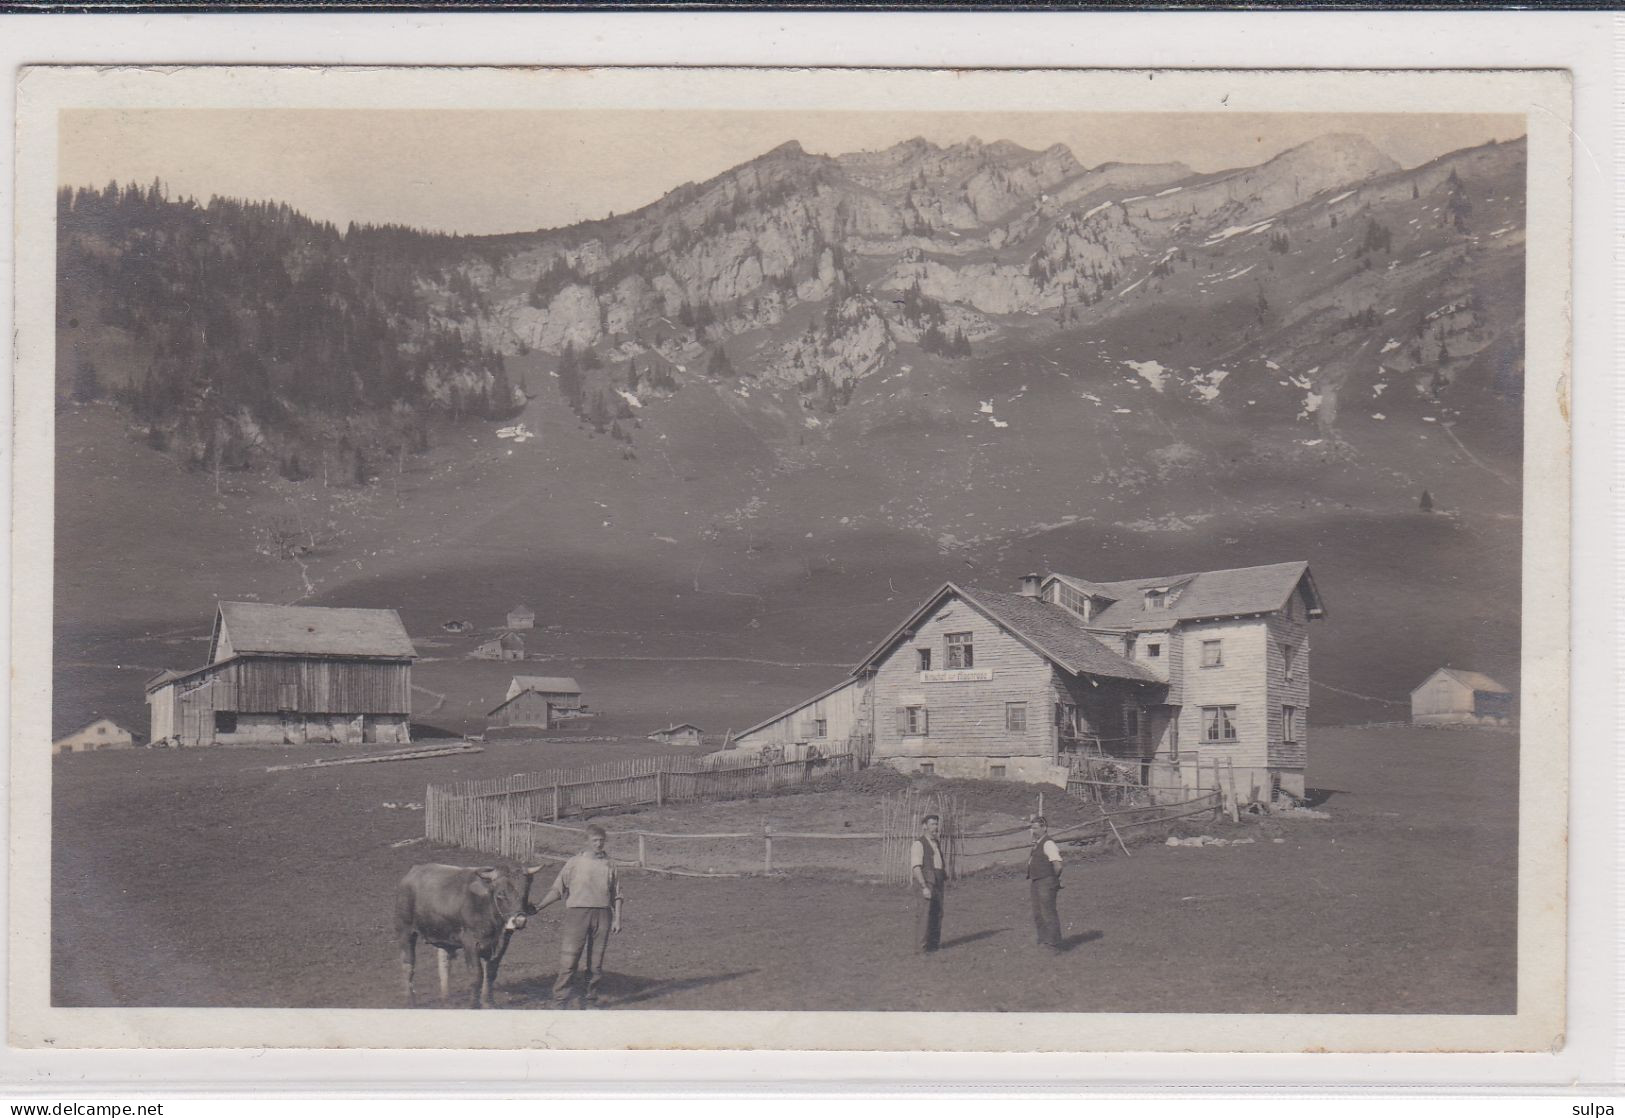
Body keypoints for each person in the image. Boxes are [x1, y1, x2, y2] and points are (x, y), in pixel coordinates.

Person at [533, 822, 623, 1007]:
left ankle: (590, 999)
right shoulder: (574, 863)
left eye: (601, 840)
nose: (598, 844)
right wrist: (539, 907)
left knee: (596, 964)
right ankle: (560, 1000)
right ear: (587, 841)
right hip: (578, 915)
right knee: (569, 960)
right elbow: (558, 890)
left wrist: (617, 919)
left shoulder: (610, 864)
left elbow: (617, 894)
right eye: (595, 840)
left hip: (603, 915)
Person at [910, 813, 947, 953]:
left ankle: (933, 946)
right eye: (932, 824)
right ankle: (921, 949)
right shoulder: (918, 844)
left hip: (938, 881)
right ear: (924, 826)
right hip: (926, 881)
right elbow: (916, 867)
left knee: (937, 912)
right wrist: (924, 886)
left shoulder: (936, 843)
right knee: (924, 914)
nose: (935, 828)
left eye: (937, 824)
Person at [1027, 815, 1064, 952]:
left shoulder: (1048, 843)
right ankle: (1043, 939)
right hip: (1036, 881)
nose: (1033, 831)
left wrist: (1053, 880)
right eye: (1032, 828)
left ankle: (1054, 944)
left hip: (1046, 881)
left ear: (1044, 828)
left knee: (1048, 912)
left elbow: (1058, 865)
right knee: (1038, 912)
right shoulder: (1037, 843)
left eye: (1036, 828)